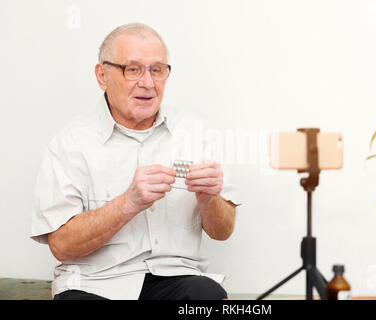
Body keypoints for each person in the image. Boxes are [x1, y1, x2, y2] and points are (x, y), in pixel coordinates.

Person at [30, 23, 239, 300]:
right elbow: (61, 246)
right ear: (102, 75)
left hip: (175, 277)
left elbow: (222, 232)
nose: (148, 83)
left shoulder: (195, 134)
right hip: (93, 283)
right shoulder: (69, 144)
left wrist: (209, 199)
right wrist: (127, 204)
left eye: (157, 69)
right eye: (133, 69)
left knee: (206, 296)